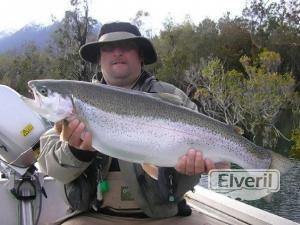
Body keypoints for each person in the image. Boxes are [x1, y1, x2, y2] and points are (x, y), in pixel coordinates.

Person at [37, 22, 228, 225]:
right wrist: (76, 151)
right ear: (99, 58)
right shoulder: (75, 103)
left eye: (127, 46)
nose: (117, 52)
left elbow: (206, 153)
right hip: (92, 217)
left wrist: (188, 171)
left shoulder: (174, 98)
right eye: (108, 48)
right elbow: (48, 165)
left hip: (165, 218)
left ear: (141, 56)